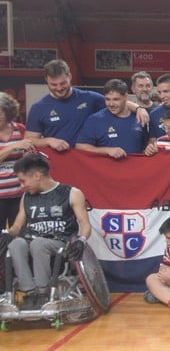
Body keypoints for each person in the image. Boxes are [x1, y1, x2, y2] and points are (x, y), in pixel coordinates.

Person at [7, 154, 91, 308]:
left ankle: (43, 292)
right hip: (33, 240)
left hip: (60, 243)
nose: (21, 186)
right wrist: (5, 234)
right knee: (16, 244)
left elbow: (85, 224)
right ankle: (29, 292)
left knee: (38, 244)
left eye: (23, 180)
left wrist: (82, 240)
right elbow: (17, 227)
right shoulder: (26, 196)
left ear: (37, 176)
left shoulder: (71, 193)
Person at [26, 59, 148, 150]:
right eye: (53, 84)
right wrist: (48, 141)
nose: (59, 88)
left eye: (63, 83)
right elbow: (29, 139)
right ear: (46, 80)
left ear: (70, 76)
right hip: (57, 164)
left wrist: (139, 109)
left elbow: (118, 102)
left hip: (85, 164)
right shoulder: (39, 107)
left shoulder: (89, 98)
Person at [76, 79, 149, 158]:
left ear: (126, 97)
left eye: (116, 99)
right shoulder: (95, 120)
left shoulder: (139, 117)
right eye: (107, 99)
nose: (111, 104)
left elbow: (145, 145)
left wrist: (149, 147)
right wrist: (107, 151)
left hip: (135, 168)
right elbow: (80, 146)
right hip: (106, 169)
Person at [0, 93, 33, 228]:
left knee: (19, 234)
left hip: (19, 193)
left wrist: (28, 155)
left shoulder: (20, 129)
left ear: (8, 112)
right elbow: (15, 147)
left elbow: (27, 157)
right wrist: (13, 146)